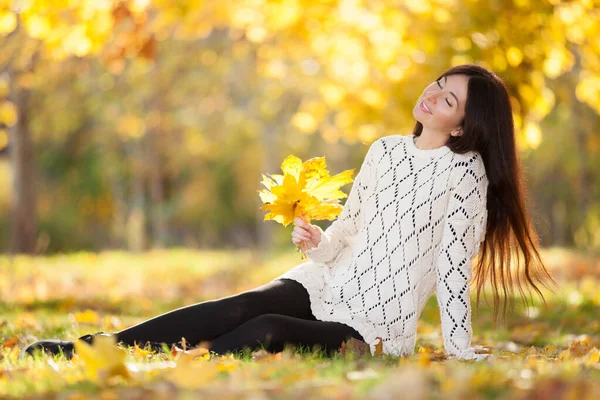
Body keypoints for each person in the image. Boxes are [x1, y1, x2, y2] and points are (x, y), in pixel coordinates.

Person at [19, 64, 558, 361]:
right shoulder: (386, 150)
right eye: (438, 85)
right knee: (243, 304)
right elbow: (351, 227)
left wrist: (458, 348)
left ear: (464, 126)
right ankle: (89, 350)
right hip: (328, 281)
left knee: (271, 327)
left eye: (448, 100)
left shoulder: (466, 177)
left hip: (373, 327)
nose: (432, 96)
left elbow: (452, 268)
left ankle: (181, 368)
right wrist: (317, 244)